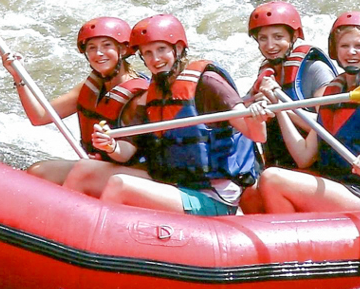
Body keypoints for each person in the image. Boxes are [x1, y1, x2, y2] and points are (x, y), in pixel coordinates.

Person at [91, 14, 268, 216]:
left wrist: (258, 119)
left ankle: (96, 242)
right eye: (147, 53)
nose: (155, 59)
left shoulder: (208, 82)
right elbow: (126, 151)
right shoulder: (153, 92)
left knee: (120, 185)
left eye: (161, 49)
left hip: (214, 196)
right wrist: (109, 145)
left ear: (178, 49)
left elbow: (257, 135)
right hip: (179, 184)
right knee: (89, 171)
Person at [257, 11, 360, 212]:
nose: (351, 52)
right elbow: (303, 156)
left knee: (272, 179)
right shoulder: (332, 96)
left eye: (359, 46)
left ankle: (288, 242)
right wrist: (279, 108)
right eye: (344, 46)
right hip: (338, 185)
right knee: (265, 180)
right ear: (335, 51)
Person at [0, 17, 150, 184]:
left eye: (107, 45)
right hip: (98, 164)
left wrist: (109, 148)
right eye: (92, 48)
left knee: (60, 175)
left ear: (122, 50)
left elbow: (130, 153)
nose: (98, 53)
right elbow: (39, 117)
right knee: (38, 171)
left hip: (130, 171)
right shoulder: (92, 87)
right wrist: (18, 76)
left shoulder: (138, 94)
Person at [238, 1, 337, 213]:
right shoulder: (266, 73)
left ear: (293, 37)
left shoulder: (314, 70)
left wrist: (280, 106)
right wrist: (255, 108)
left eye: (278, 37)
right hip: (280, 167)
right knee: (246, 193)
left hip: (319, 171)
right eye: (263, 38)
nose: (270, 45)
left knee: (270, 180)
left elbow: (329, 123)